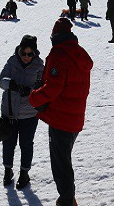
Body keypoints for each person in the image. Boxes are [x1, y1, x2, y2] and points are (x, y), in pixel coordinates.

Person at [29, 18, 93, 206]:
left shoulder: (59, 54)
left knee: (60, 164)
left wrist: (34, 97)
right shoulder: (79, 53)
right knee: (64, 159)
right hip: (74, 118)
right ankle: (68, 198)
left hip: (61, 120)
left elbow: (53, 88)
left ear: (55, 35)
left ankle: (66, 201)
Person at [0, 35, 44, 189]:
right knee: (8, 143)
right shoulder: (12, 61)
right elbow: (0, 80)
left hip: (29, 113)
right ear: (20, 50)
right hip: (9, 111)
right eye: (24, 53)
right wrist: (11, 84)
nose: (26, 57)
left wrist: (29, 90)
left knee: (26, 144)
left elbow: (42, 88)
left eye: (30, 54)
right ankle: (7, 170)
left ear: (34, 53)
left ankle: (24, 173)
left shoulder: (39, 66)